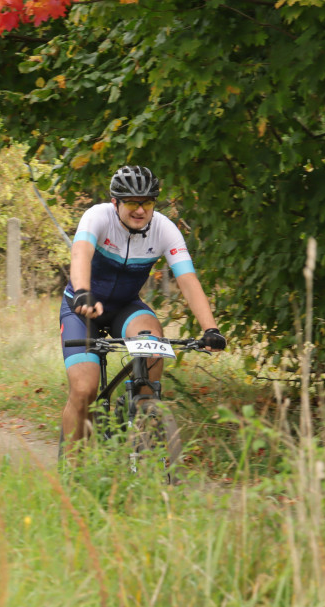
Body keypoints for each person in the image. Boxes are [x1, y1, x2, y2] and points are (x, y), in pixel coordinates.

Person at [59, 165, 226, 460]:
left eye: (147, 202)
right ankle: (71, 470)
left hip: (125, 305)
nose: (140, 210)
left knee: (154, 343)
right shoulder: (97, 216)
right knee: (85, 389)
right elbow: (80, 253)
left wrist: (210, 328)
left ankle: (142, 421)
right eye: (133, 203)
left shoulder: (164, 229)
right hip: (82, 307)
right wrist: (83, 290)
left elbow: (187, 279)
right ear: (115, 203)